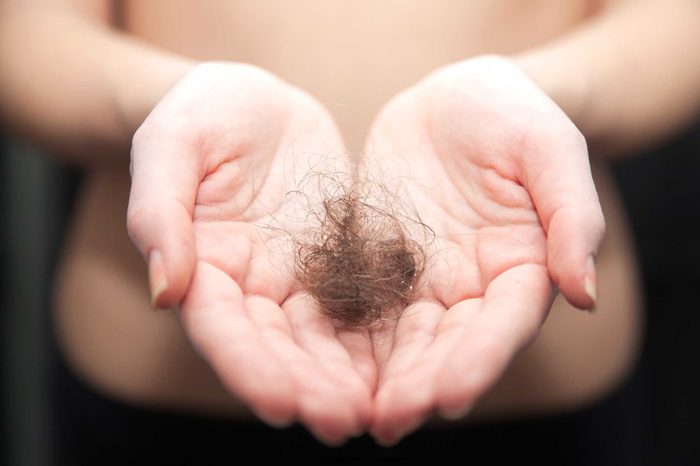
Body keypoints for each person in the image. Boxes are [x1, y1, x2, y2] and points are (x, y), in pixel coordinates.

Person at [1, 0, 699, 457]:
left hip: (544, 402)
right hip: (156, 400)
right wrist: (167, 104)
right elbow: (24, 37)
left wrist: (546, 94)